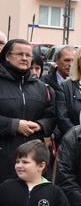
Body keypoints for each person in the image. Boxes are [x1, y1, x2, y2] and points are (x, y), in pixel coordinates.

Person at [0, 39, 55, 183]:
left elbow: (51, 117)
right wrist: (14, 125)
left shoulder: (41, 87)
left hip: (33, 160)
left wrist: (40, 125)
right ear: (7, 56)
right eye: (19, 54)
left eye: (28, 55)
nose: (24, 58)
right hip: (4, 158)